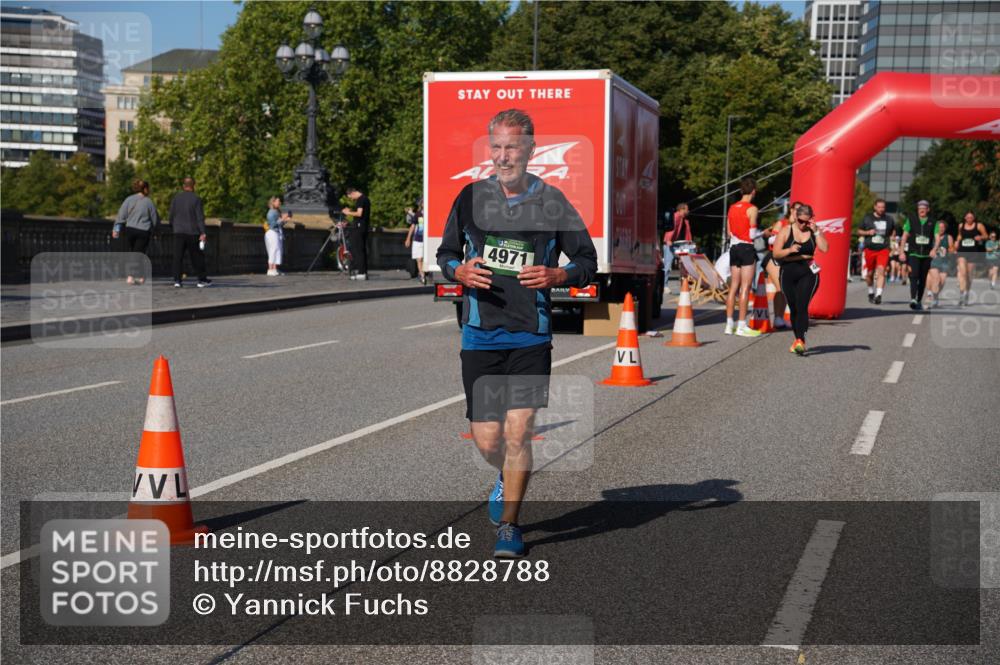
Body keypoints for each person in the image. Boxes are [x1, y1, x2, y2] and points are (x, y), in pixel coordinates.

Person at [436, 109, 597, 558]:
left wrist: (557, 275)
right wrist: (459, 270)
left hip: (531, 335)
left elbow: (587, 261)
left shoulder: (553, 202)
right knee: (489, 441)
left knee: (520, 431)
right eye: (497, 147)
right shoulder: (469, 197)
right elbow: (446, 253)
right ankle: (502, 475)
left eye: (513, 147)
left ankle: (510, 524)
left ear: (529, 150)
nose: (504, 156)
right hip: (480, 335)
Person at [772, 203, 828, 355]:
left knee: (802, 305)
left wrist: (816, 232)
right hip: (788, 271)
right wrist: (789, 250)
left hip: (808, 271)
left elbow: (824, 248)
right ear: (795, 217)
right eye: (800, 221)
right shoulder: (786, 230)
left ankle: (800, 340)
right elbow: (776, 253)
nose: (803, 225)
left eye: (807, 221)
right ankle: (798, 339)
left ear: (811, 219)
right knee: (794, 307)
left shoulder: (813, 230)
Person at [724, 177, 763, 337]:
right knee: (745, 287)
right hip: (747, 248)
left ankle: (729, 325)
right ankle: (741, 326)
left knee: (733, 287)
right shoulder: (752, 209)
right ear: (753, 191)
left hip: (734, 247)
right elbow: (752, 234)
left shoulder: (732, 208)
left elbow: (729, 232)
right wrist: (764, 233)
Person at [760, 201, 799, 329]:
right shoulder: (781, 223)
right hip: (773, 257)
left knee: (785, 288)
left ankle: (779, 318)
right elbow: (771, 239)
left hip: (786, 259)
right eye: (796, 209)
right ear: (791, 210)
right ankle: (778, 318)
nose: (799, 212)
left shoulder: (799, 226)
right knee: (782, 286)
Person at [113, 179, 159, 285]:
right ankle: (133, 276)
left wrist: (116, 229)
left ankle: (137, 276)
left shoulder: (128, 200)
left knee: (132, 253)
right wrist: (156, 230)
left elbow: (121, 216)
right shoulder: (149, 202)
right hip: (143, 231)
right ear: (146, 189)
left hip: (130, 230)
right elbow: (155, 219)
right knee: (140, 253)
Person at [168, 177, 210, 288]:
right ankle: (201, 280)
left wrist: (173, 226)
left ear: (183, 186)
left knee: (178, 257)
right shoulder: (196, 199)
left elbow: (171, 215)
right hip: (192, 232)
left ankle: (177, 280)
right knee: (197, 257)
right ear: (193, 185)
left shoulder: (176, 198)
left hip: (178, 231)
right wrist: (203, 232)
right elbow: (199, 217)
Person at [898, 200, 935, 310]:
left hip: (926, 254)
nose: (921, 210)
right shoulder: (911, 220)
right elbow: (904, 236)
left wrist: (934, 249)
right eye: (920, 209)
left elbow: (937, 237)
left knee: (922, 278)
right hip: (914, 252)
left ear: (928, 209)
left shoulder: (933, 222)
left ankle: (918, 299)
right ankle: (913, 298)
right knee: (914, 275)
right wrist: (901, 252)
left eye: (924, 208)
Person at [858, 198, 895, 305]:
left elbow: (893, 230)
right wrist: (868, 232)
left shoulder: (889, 219)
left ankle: (878, 295)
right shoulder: (867, 218)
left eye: (883, 207)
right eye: (879, 207)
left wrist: (892, 239)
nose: (881, 209)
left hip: (883, 249)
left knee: (881, 271)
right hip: (870, 249)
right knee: (869, 274)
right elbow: (859, 231)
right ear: (875, 207)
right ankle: (870, 291)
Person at [955, 210, 988, 305]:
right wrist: (957, 242)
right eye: (968, 217)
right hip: (962, 251)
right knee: (963, 273)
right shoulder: (961, 225)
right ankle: (961, 294)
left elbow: (986, 235)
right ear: (965, 218)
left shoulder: (979, 225)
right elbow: (959, 235)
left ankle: (966, 293)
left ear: (974, 218)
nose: (969, 219)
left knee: (969, 275)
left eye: (971, 217)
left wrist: (980, 237)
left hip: (973, 252)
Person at [342, 186, 370, 280]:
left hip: (359, 227)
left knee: (357, 250)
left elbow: (359, 213)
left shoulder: (360, 200)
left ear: (352, 193)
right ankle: (364, 272)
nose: (351, 199)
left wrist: (348, 212)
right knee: (361, 249)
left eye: (350, 197)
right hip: (363, 226)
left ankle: (361, 272)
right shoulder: (365, 198)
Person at [662, 202, 691, 294]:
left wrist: (690, 242)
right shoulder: (675, 217)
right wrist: (668, 240)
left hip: (680, 245)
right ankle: (664, 286)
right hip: (670, 244)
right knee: (668, 265)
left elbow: (687, 234)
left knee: (685, 263)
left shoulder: (684, 221)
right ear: (681, 209)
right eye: (687, 209)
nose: (688, 211)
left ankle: (684, 284)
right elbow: (671, 229)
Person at [927, 220, 954, 309]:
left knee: (942, 282)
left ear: (945, 228)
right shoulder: (932, 236)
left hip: (944, 262)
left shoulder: (948, 237)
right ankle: (933, 299)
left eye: (943, 227)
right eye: (939, 227)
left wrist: (951, 251)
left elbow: (951, 248)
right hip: (933, 261)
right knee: (937, 279)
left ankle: (935, 295)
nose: (941, 229)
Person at [264, 196, 290, 276]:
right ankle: (270, 269)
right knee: (273, 250)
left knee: (278, 250)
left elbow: (279, 224)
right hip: (272, 233)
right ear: (273, 202)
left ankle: (275, 268)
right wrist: (282, 219)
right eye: (278, 201)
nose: (280, 203)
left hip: (276, 233)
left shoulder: (276, 211)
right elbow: (273, 224)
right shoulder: (271, 212)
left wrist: (285, 220)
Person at [404, 197, 426, 284]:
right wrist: (408, 238)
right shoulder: (418, 214)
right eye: (423, 202)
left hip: (426, 240)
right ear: (421, 204)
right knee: (419, 259)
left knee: (424, 259)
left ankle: (425, 273)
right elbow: (412, 226)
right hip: (418, 239)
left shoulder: (430, 214)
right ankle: (422, 275)